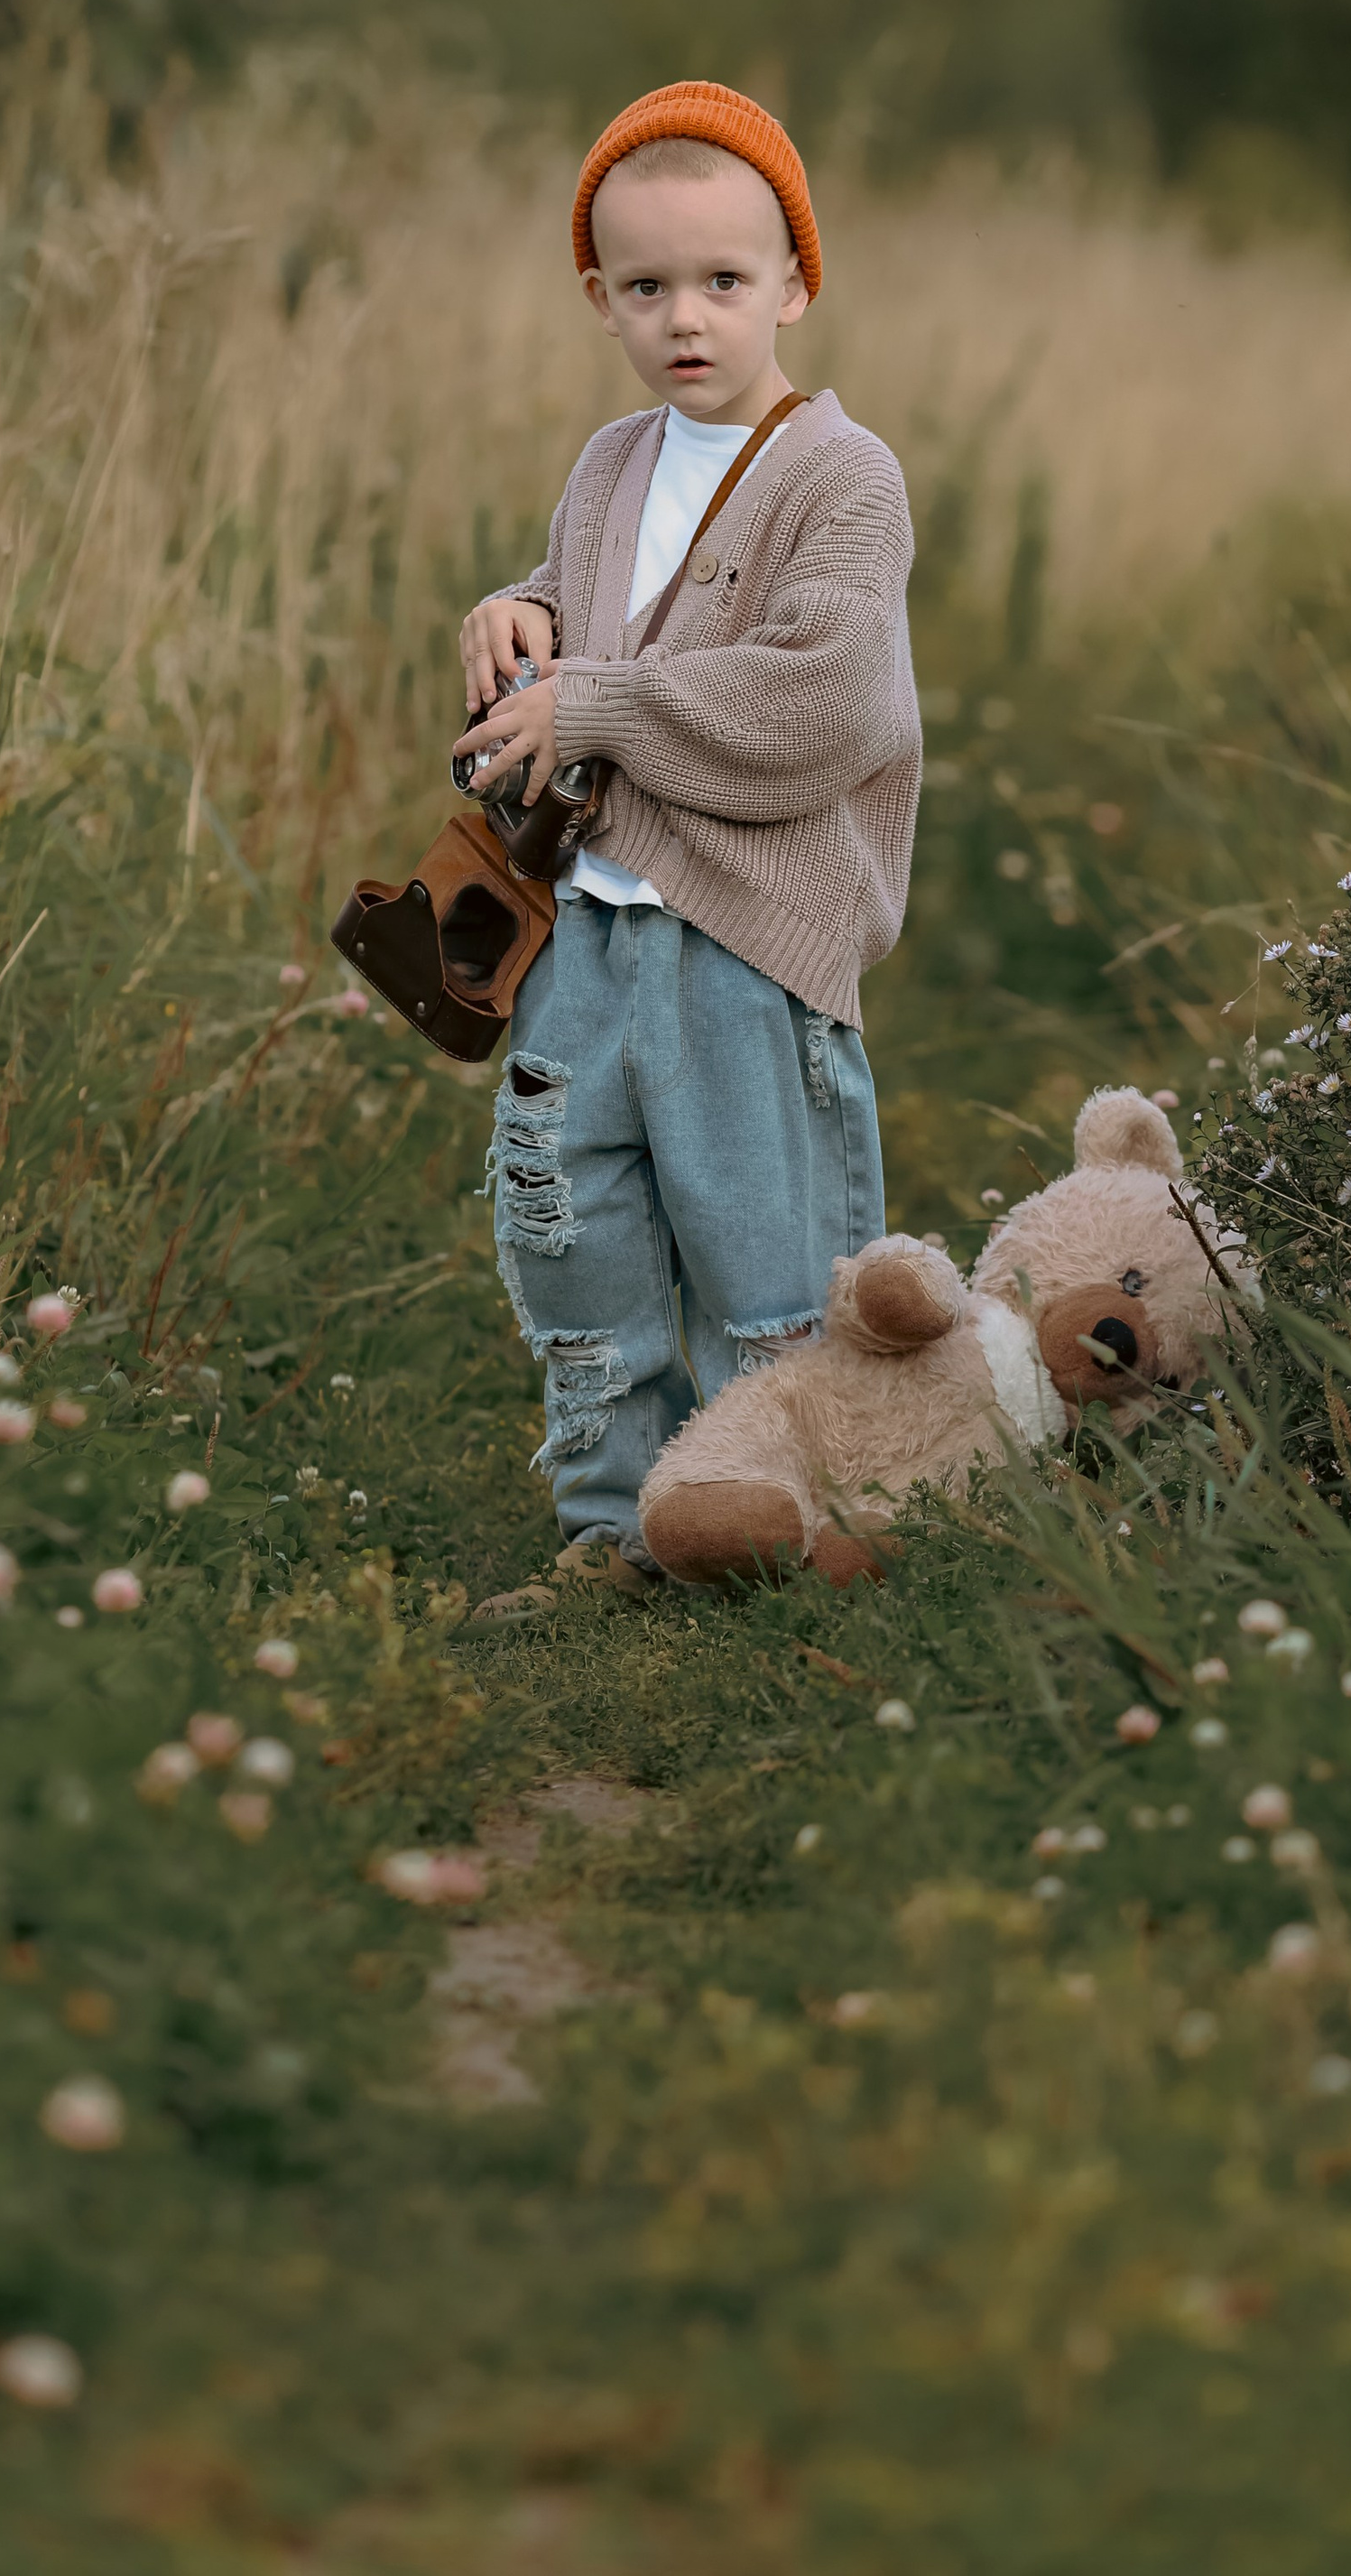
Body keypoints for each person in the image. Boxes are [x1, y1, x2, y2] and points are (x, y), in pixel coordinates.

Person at [454, 79, 919, 1616]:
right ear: (600, 299)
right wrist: (516, 611)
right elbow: (609, 611)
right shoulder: (610, 464)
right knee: (565, 1218)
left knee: (764, 1255)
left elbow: (821, 699)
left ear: (797, 279)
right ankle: (617, 1532)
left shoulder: (841, 480)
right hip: (583, 933)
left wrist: (593, 701)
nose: (688, 318)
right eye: (646, 287)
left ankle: (792, 1518)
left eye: (725, 280)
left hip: (744, 941)